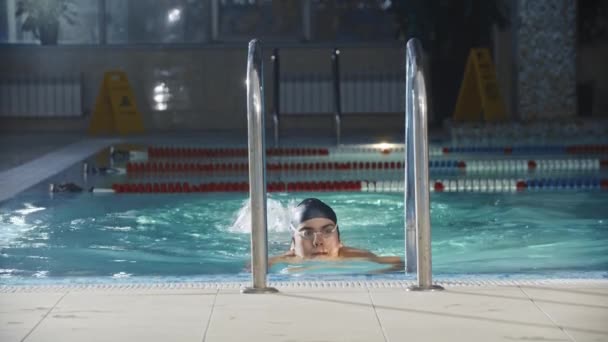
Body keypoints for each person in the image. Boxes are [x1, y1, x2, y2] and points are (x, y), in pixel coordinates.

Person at [269, 198, 404, 272]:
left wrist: (372, 274)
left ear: (339, 239)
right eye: (308, 233)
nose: (318, 241)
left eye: (327, 231)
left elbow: (399, 263)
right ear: (293, 243)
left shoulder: (355, 256)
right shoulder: (280, 263)